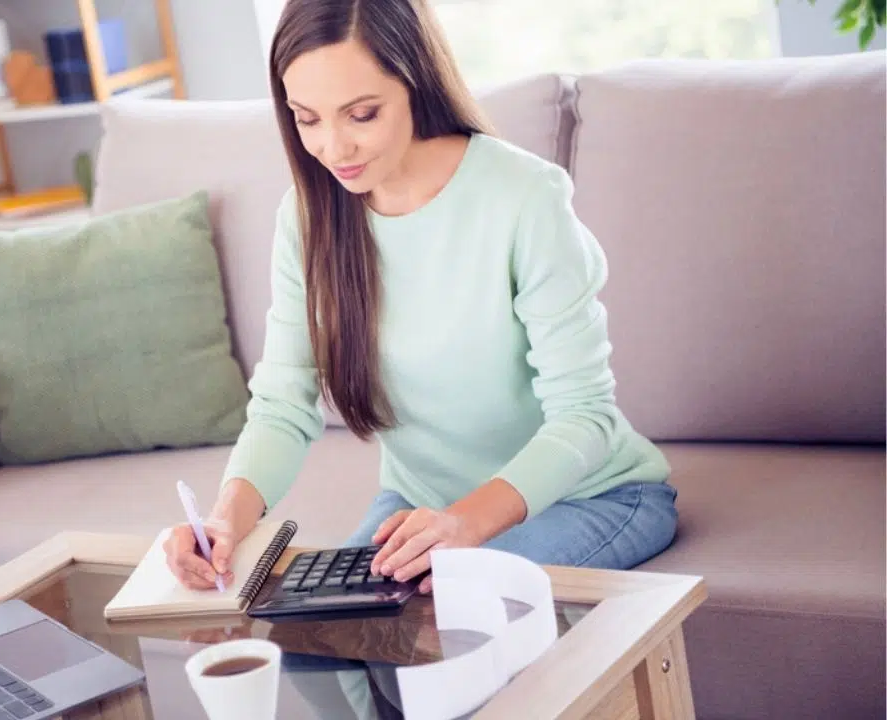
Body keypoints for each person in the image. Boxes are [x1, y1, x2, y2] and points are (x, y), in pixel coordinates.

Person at [164, 0, 677, 596]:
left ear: (416, 82)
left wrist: (467, 523)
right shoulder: (308, 219)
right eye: (307, 119)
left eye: (361, 114)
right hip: (426, 508)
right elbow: (283, 404)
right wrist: (224, 521)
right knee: (294, 626)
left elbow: (585, 417)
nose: (333, 148)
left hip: (595, 496)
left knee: (445, 606)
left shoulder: (524, 198)